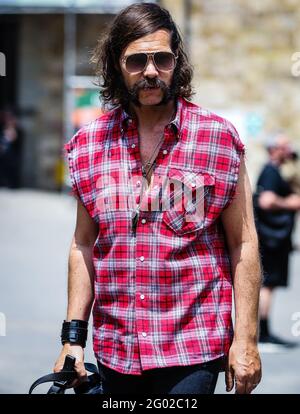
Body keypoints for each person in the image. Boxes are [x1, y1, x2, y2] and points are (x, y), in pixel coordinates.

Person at [54, 3, 262, 394]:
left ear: (176, 62)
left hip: (193, 347)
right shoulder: (88, 145)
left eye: (161, 58)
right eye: (136, 60)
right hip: (116, 350)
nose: (150, 71)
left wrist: (247, 339)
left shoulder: (218, 138)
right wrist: (72, 340)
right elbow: (83, 245)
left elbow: (243, 242)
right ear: (117, 65)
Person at [254, 135, 300, 348]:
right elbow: (267, 201)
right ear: (274, 149)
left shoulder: (273, 171)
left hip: (274, 239)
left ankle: (264, 332)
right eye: (284, 146)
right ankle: (264, 333)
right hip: (271, 239)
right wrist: (290, 203)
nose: (288, 150)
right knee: (267, 285)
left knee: (269, 284)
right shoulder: (271, 172)